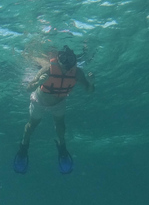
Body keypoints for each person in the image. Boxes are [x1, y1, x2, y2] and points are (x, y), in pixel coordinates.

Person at [13, 46, 94, 174]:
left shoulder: (77, 72)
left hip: (59, 102)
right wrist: (38, 82)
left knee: (60, 125)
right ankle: (23, 147)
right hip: (39, 100)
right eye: (63, 58)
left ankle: (62, 149)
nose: (66, 62)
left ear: (74, 60)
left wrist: (91, 83)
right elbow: (29, 88)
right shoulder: (47, 69)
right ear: (58, 59)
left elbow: (89, 91)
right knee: (31, 125)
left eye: (70, 59)